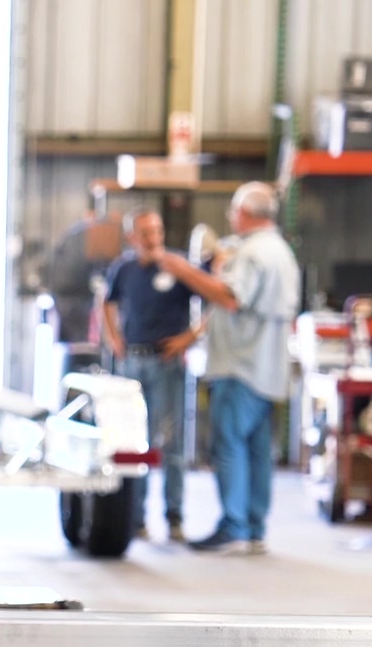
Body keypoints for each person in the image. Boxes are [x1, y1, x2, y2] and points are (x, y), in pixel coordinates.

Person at [156, 182, 301, 555]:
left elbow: (231, 297)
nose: (230, 217)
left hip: (241, 365)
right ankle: (253, 526)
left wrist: (183, 270)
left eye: (234, 210)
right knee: (257, 451)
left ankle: (233, 524)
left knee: (229, 447)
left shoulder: (252, 253)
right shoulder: (281, 251)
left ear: (247, 212)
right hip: (268, 368)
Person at [101, 209, 203, 541]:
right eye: (146, 233)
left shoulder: (176, 265)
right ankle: (137, 518)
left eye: (157, 231)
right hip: (133, 363)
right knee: (133, 443)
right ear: (133, 237)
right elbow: (107, 302)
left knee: (170, 443)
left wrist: (189, 337)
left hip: (167, 364)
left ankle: (174, 517)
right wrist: (114, 337)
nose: (153, 239)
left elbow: (214, 299)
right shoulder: (124, 269)